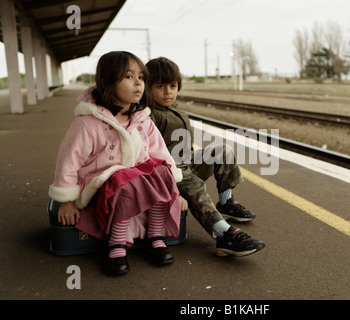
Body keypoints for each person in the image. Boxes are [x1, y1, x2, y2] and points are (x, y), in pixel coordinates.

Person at [49, 51, 186, 276]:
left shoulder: (143, 119)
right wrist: (66, 201)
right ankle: (116, 243)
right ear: (107, 82)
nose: (138, 84)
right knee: (127, 181)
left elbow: (161, 153)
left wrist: (174, 190)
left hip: (136, 177)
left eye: (141, 77)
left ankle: (155, 235)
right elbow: (68, 161)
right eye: (129, 77)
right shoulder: (87, 124)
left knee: (162, 171)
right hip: (102, 183)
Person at [146, 57, 265, 257]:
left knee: (222, 150)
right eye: (160, 86)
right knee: (194, 185)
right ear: (148, 87)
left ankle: (226, 202)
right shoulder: (150, 115)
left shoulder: (175, 110)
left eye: (173, 86)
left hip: (188, 162)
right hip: (169, 170)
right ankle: (222, 234)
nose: (168, 91)